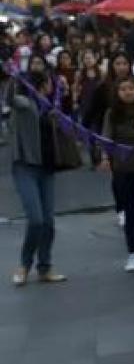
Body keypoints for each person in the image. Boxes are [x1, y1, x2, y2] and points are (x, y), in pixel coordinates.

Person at [9, 72, 66, 285]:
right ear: (41, 85)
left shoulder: (52, 106)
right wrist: (12, 77)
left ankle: (45, 267)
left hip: (47, 168)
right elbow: (10, 98)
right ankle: (24, 265)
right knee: (36, 220)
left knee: (48, 222)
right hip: (25, 166)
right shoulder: (25, 103)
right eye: (50, 83)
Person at [99, 77, 134, 275]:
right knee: (129, 211)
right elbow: (106, 137)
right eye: (123, 89)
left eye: (131, 88)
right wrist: (105, 157)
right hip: (122, 168)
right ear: (117, 93)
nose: (128, 92)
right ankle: (132, 253)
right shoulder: (112, 113)